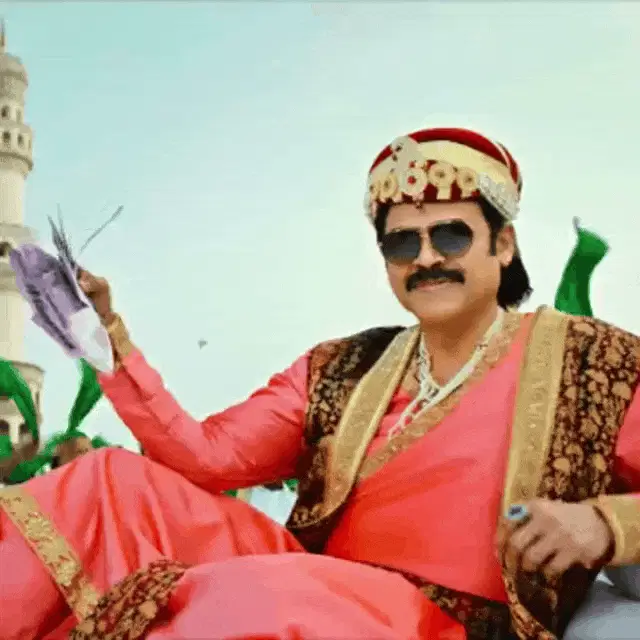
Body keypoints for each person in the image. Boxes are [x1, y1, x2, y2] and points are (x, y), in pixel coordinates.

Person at [1, 127, 639, 640]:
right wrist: (107, 340)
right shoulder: (343, 365)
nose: (425, 257)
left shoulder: (594, 362)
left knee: (266, 594)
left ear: (503, 244)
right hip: (319, 581)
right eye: (402, 244)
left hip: (442, 621)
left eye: (450, 234)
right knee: (106, 482)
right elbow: (207, 456)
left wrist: (605, 523)